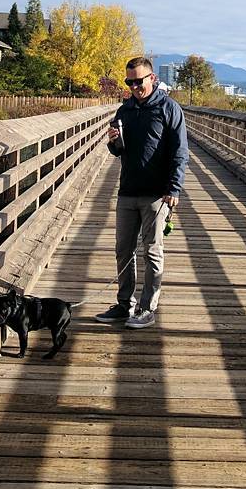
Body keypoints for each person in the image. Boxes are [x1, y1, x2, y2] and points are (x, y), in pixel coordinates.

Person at [95, 56, 188, 329]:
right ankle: (125, 305)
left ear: (153, 79)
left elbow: (180, 153)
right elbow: (117, 152)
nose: (135, 86)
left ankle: (147, 308)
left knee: (152, 252)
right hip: (127, 191)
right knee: (123, 251)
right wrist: (114, 142)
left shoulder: (169, 109)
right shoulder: (125, 110)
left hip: (157, 194)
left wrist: (174, 188)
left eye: (139, 81)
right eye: (130, 82)